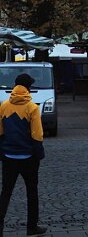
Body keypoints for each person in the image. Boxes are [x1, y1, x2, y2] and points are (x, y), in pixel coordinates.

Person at [0, 72, 47, 236]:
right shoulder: (32, 107)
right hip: (28, 157)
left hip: (9, 156)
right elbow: (37, 134)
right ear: (28, 87)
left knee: (5, 192)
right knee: (32, 192)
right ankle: (32, 227)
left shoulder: (4, 106)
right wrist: (39, 153)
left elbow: (0, 132)